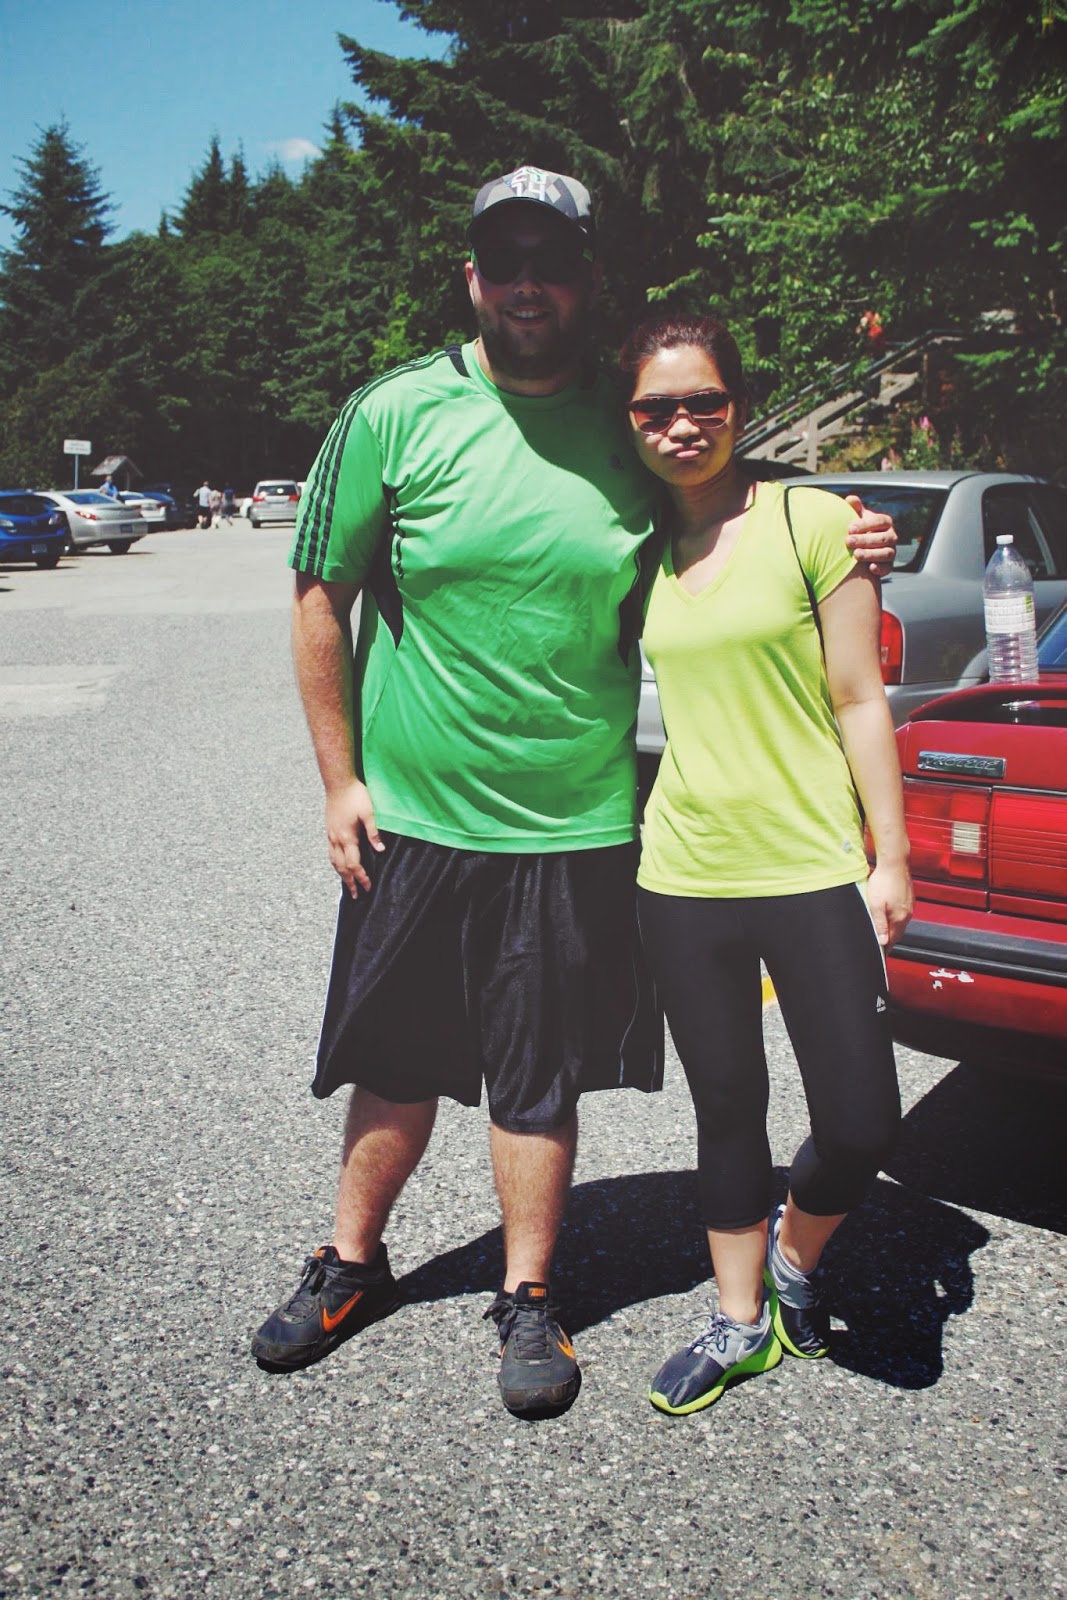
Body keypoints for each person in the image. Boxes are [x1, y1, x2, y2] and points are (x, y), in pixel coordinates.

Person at [250, 166, 898, 1417]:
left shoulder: (630, 412)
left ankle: (529, 1296)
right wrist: (338, 779)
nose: (526, 283)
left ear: (586, 278)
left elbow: (727, 487)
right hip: (416, 813)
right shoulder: (394, 411)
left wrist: (846, 525)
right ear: (471, 277)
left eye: (549, 260)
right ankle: (349, 1261)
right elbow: (320, 595)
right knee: (394, 1060)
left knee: (536, 1071)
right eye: (503, 260)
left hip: (577, 824)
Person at [617, 313, 912, 1417]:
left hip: (809, 864)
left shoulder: (815, 521)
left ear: (738, 406)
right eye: (655, 408)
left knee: (861, 1122)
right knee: (727, 1105)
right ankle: (739, 1320)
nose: (682, 424)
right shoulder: (629, 542)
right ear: (629, 423)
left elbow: (858, 696)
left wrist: (891, 853)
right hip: (683, 875)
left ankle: (794, 1260)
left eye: (704, 401)